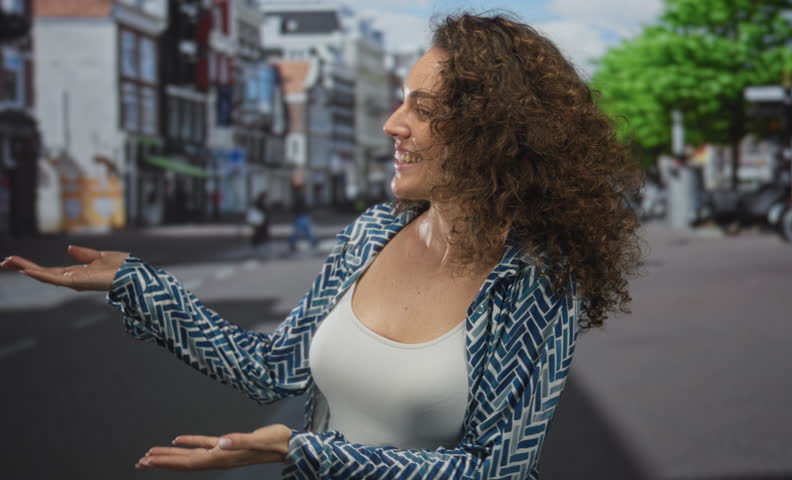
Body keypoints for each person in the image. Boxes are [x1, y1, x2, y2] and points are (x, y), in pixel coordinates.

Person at [1, 13, 642, 479]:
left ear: (492, 134)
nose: (393, 123)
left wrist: (303, 450)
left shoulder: (537, 276)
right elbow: (274, 369)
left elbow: (494, 470)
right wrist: (135, 283)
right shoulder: (372, 234)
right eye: (399, 101)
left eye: (422, 108)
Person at [288, 167, 318, 254]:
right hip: (301, 216)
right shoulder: (299, 197)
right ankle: (294, 242)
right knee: (300, 231)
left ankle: (311, 241)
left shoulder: (299, 196)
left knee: (304, 230)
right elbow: (300, 206)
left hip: (302, 215)